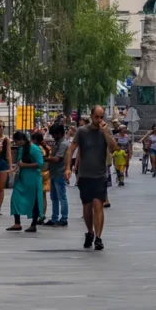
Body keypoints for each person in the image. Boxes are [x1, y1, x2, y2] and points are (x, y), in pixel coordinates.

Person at [65, 106, 118, 250]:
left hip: (100, 175)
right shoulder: (82, 132)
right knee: (87, 207)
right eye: (97, 117)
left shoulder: (104, 132)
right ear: (92, 116)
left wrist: (106, 131)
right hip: (85, 175)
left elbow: (114, 148)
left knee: (98, 204)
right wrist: (68, 168)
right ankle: (90, 232)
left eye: (102, 117)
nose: (99, 120)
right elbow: (71, 150)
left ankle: (99, 238)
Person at [8, 131, 45, 233]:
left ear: (21, 140)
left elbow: (40, 163)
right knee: (15, 197)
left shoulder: (34, 148)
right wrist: (16, 168)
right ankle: (17, 222)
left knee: (34, 201)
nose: (16, 144)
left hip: (33, 178)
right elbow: (20, 162)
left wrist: (25, 165)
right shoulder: (21, 149)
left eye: (16, 141)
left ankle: (33, 224)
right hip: (22, 178)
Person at [45, 123, 71, 226]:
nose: (53, 137)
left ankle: (64, 218)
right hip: (54, 173)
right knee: (54, 197)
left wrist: (45, 159)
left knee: (61, 197)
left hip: (60, 173)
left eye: (54, 134)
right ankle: (54, 217)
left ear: (59, 133)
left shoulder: (63, 144)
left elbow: (57, 159)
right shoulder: (57, 143)